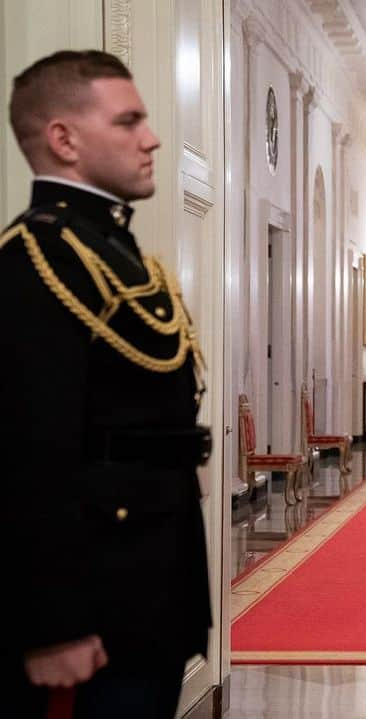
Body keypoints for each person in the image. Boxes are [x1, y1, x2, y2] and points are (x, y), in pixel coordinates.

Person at [1, 50, 212, 717]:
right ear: (64, 138)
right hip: (90, 610)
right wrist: (51, 623)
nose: (151, 138)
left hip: (151, 592)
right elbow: (25, 452)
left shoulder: (113, 253)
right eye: (129, 121)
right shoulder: (36, 259)